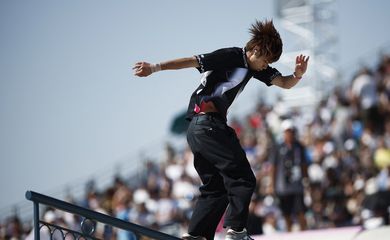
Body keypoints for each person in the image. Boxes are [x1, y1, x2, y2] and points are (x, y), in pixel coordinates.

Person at [133, 19, 309, 240]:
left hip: (198, 131)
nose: (266, 66)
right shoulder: (232, 56)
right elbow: (191, 61)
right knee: (243, 178)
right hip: (208, 125)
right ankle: (236, 232)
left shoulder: (256, 69)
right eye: (265, 60)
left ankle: (197, 235)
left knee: (216, 187)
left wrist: (298, 75)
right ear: (255, 50)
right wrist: (155, 67)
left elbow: (284, 83)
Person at [269, 119, 308, 232]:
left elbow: (304, 164)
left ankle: (304, 233)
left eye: (291, 131)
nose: (290, 133)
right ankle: (289, 234)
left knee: (301, 211)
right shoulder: (278, 147)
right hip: (283, 186)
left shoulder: (299, 146)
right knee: (286, 212)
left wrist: (306, 179)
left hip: (297, 185)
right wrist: (272, 184)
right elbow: (273, 167)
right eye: (287, 131)